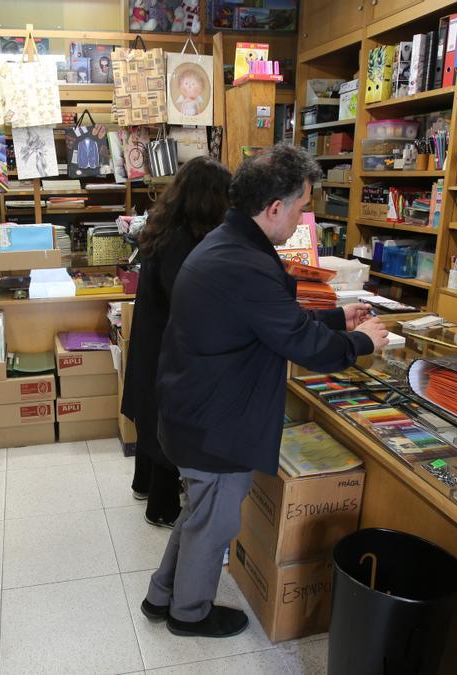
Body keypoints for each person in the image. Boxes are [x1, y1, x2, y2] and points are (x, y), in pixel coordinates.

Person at [141, 144, 389, 638]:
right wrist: (360, 341)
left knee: (198, 514)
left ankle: (161, 595)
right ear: (274, 208)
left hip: (195, 411)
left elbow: (271, 319)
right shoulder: (243, 261)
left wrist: (338, 316)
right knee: (213, 526)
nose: (302, 219)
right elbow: (298, 340)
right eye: (301, 207)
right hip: (214, 423)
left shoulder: (230, 245)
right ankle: (189, 613)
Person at [122, 156, 232, 528]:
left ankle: (143, 485)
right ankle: (162, 507)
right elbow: (182, 297)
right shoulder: (184, 239)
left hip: (151, 335)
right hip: (165, 340)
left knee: (150, 412)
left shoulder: (164, 224)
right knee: (164, 418)